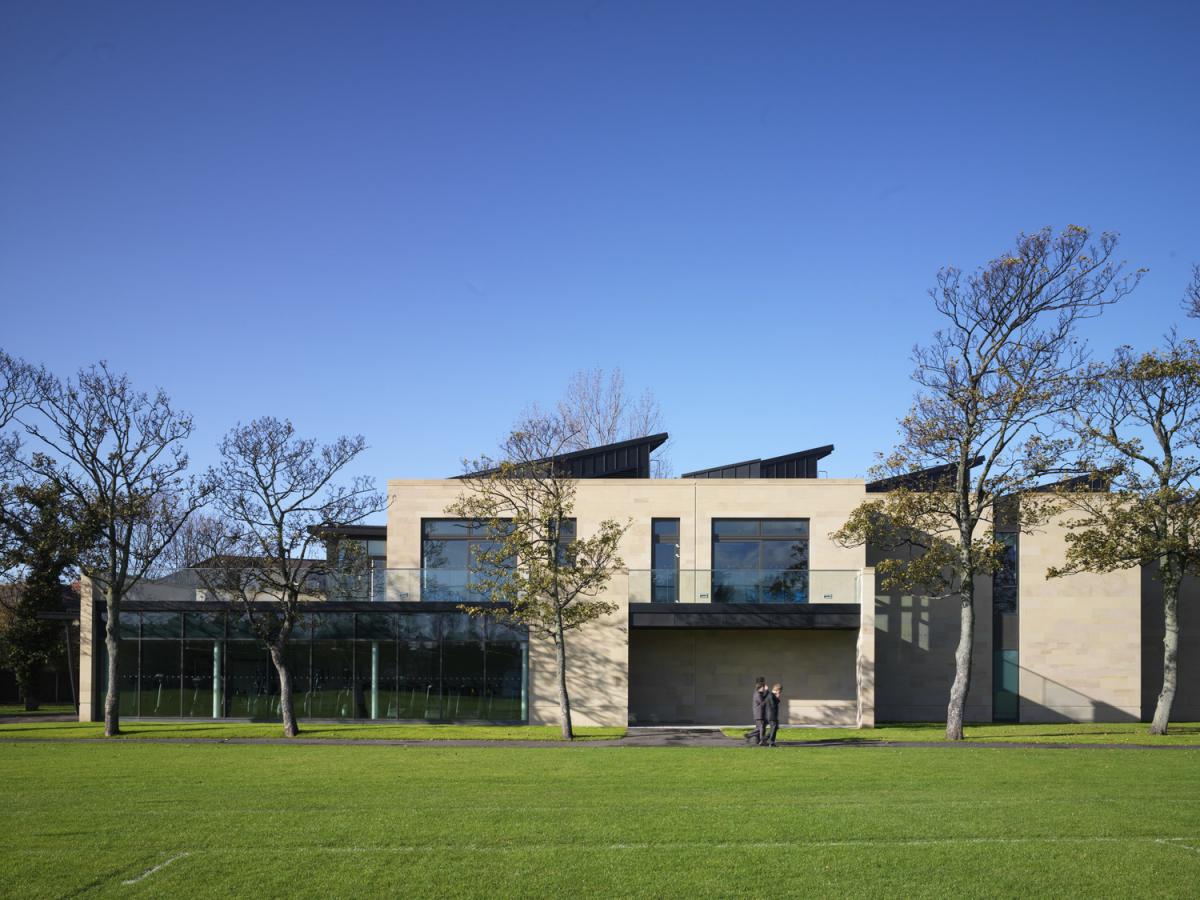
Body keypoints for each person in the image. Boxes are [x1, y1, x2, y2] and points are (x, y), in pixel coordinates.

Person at [746, 677, 768, 745]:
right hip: (759, 714)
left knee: (761, 727)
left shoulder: (760, 693)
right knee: (761, 728)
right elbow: (762, 703)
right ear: (760, 687)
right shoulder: (757, 694)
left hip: (760, 714)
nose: (764, 689)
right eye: (763, 687)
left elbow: (763, 699)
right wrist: (767, 695)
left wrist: (766, 692)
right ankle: (751, 735)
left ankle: (754, 737)